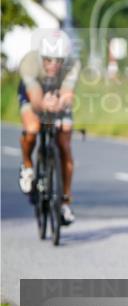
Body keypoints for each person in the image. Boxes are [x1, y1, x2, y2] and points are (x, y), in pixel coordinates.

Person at [18, 29, 80, 224]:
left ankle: (65, 203)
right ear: (41, 56)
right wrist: (44, 106)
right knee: (33, 129)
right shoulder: (29, 63)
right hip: (33, 93)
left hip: (57, 95)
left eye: (58, 60)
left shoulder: (73, 64)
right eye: (48, 60)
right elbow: (35, 98)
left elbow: (68, 93)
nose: (53, 65)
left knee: (64, 142)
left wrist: (60, 104)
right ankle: (27, 165)